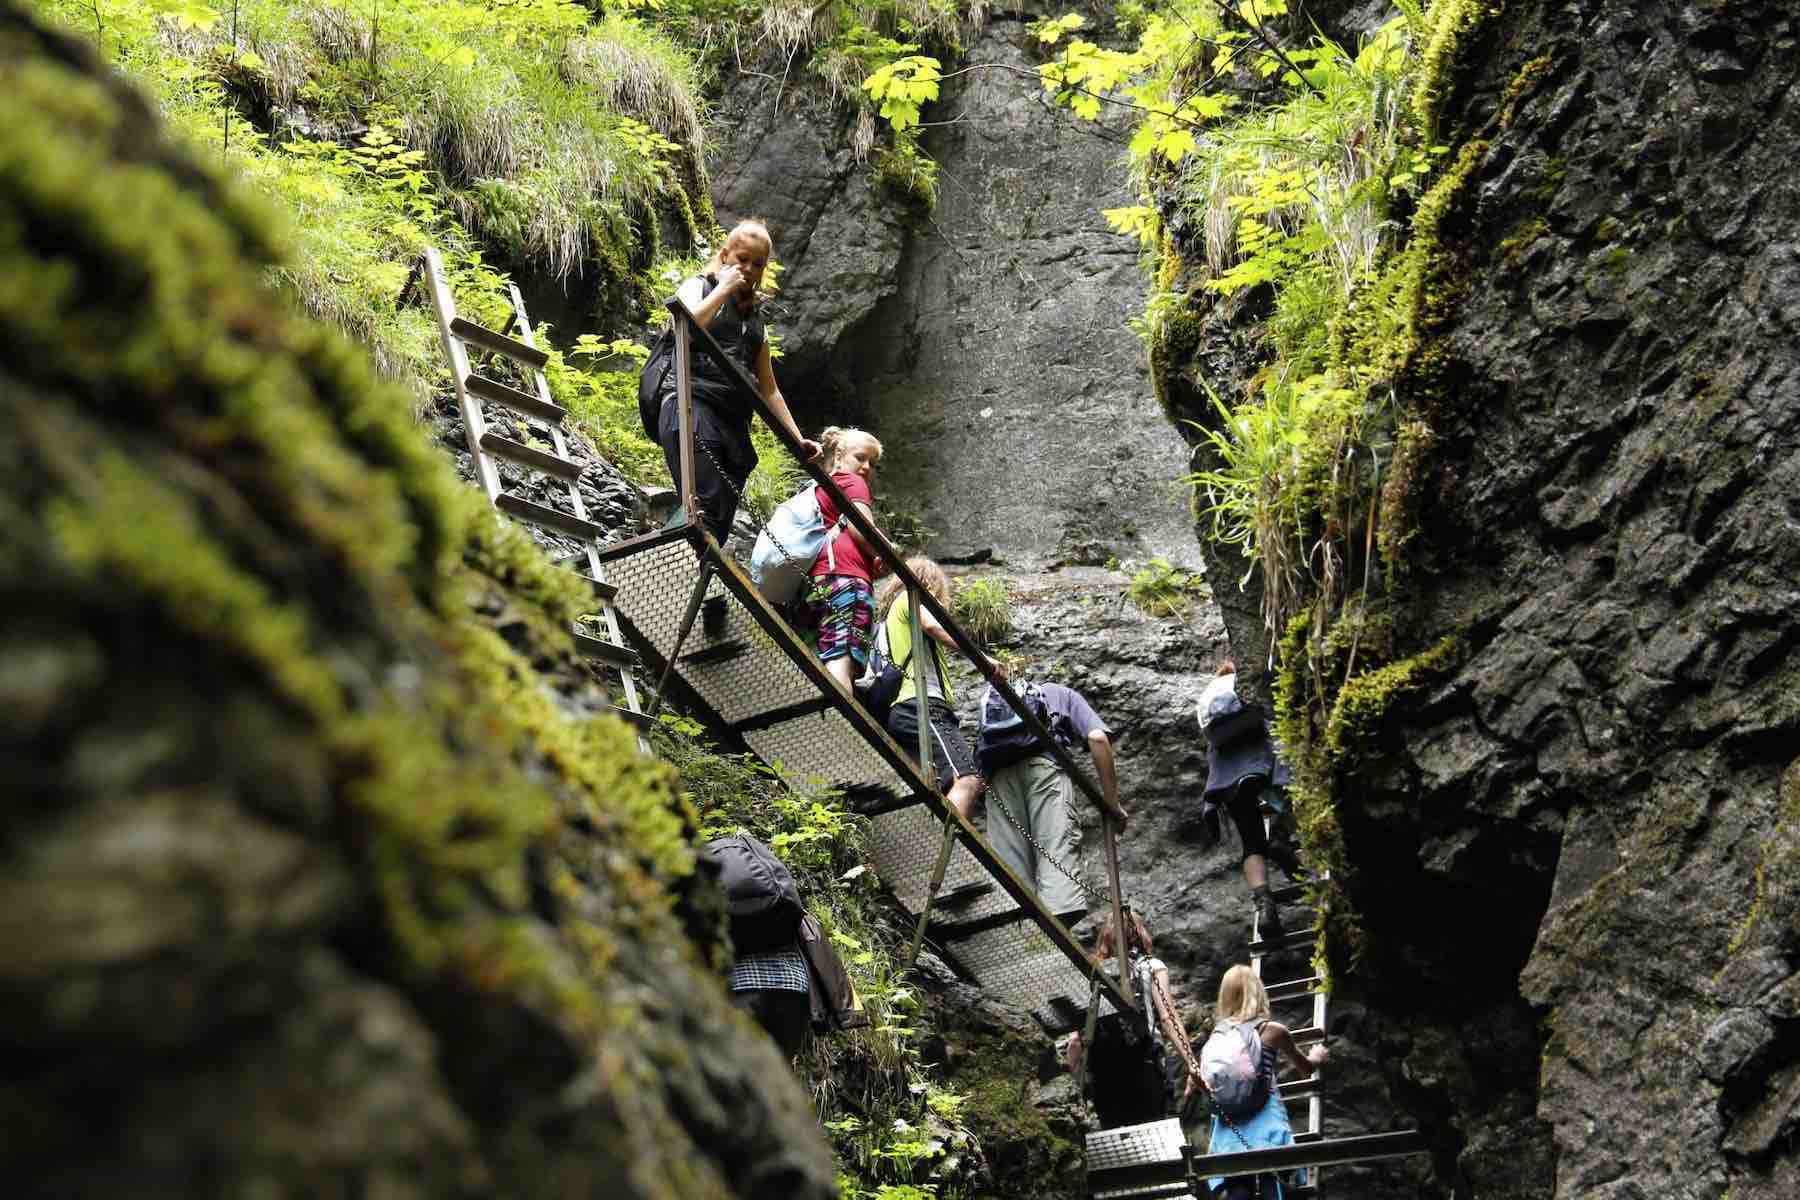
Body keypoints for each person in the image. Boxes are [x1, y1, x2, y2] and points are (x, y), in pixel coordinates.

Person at [659, 220, 820, 547]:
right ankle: (686, 561)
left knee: (718, 513)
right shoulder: (699, 287)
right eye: (742, 259)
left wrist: (797, 438)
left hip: (731, 423)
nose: (748, 269)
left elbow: (768, 388)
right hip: (691, 404)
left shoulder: (755, 323)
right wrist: (722, 288)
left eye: (757, 264)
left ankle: (700, 579)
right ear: (724, 255)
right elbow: (684, 329)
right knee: (703, 500)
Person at [977, 679, 1127, 920]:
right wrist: (1112, 804)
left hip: (998, 779)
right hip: (1044, 773)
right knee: (1057, 867)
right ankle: (1055, 941)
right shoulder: (1061, 694)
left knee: (1011, 881)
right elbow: (1098, 738)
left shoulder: (993, 703)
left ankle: (1024, 937)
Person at [874, 558, 1003, 820]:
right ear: (929, 585)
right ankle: (942, 851)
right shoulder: (910, 599)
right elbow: (933, 625)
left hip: (904, 710)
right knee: (966, 780)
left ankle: (938, 844)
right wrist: (984, 660)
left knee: (939, 786)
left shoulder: (889, 623)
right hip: (921, 707)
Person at [1065, 910, 1202, 1129]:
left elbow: (1075, 1039)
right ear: (1141, 933)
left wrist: (1072, 1083)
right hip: (1145, 1063)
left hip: (1104, 1072)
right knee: (1154, 1132)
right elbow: (1167, 1017)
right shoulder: (1151, 966)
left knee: (1117, 1139)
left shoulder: (1091, 972)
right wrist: (1191, 1063)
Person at [1202, 965, 1328, 1200]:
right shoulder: (1273, 1031)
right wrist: (1317, 1057)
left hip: (1229, 1127)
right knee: (1273, 1180)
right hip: (1265, 1122)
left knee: (1238, 1186)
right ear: (1257, 992)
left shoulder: (1217, 1036)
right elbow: (1306, 1068)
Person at [1198, 659, 1297, 939]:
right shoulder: (1245, 687)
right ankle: (1279, 839)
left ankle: (1264, 904)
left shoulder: (1209, 705)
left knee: (1251, 839)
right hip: (1259, 761)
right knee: (1288, 800)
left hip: (1226, 778)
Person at [805, 426, 886, 693]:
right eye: (860, 457)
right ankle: (846, 728)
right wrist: (886, 552)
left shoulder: (821, 486)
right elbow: (861, 528)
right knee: (842, 659)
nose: (866, 467)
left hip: (822, 578)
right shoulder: (852, 483)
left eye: (872, 463)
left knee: (830, 652)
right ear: (839, 454)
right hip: (846, 579)